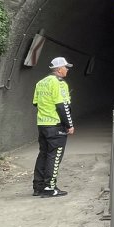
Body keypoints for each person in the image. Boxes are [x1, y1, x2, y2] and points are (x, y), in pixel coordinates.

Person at [32, 57, 75, 197]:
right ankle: (50, 188)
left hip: (42, 124)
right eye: (65, 67)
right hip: (56, 126)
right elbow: (62, 106)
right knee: (54, 156)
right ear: (59, 69)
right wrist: (69, 125)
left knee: (43, 154)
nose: (67, 69)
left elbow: (36, 103)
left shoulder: (40, 82)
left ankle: (38, 186)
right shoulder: (59, 83)